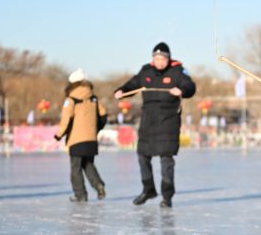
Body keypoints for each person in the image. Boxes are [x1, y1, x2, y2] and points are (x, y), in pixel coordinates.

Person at [114, 42, 196, 208]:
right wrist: (121, 91)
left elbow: (190, 86)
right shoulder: (146, 71)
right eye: (157, 58)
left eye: (162, 58)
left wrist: (182, 90)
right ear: (153, 59)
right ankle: (148, 189)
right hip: (148, 121)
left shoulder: (177, 71)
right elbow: (132, 84)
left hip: (168, 122)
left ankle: (167, 196)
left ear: (168, 58)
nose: (159, 62)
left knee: (166, 159)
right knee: (142, 155)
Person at [55, 68, 107, 202]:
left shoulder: (71, 99)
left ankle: (80, 195)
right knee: (88, 164)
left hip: (76, 139)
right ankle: (98, 185)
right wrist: (95, 130)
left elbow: (66, 120)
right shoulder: (94, 98)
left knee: (76, 168)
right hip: (91, 139)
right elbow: (103, 116)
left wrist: (59, 135)